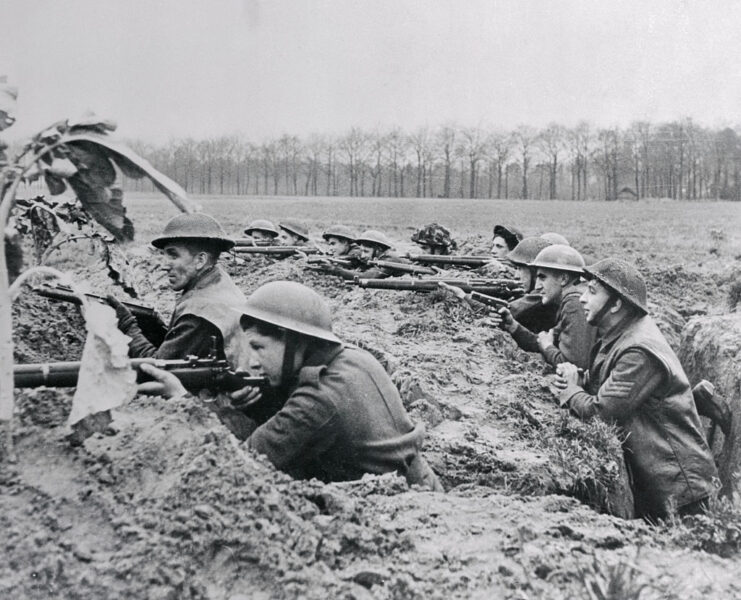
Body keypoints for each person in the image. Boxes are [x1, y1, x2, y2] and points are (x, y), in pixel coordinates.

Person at [139, 281, 443, 491]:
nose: (252, 362)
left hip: (401, 514)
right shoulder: (353, 359)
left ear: (293, 339)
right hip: (422, 487)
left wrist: (184, 404)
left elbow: (236, 469)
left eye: (259, 348)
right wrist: (258, 405)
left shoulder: (320, 399)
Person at [551, 258, 718, 521]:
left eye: (592, 292)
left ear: (617, 304)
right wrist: (579, 383)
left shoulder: (638, 350)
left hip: (682, 492)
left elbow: (601, 413)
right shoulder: (619, 335)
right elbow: (606, 386)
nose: (582, 298)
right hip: (664, 484)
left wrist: (571, 392)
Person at [108, 213, 249, 368]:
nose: (164, 265)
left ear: (200, 260)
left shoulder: (200, 311)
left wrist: (127, 325)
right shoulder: (218, 282)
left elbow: (159, 369)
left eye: (173, 256)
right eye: (164, 255)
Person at [490, 244, 596, 370]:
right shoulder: (571, 300)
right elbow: (541, 341)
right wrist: (512, 326)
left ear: (564, 279)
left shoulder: (574, 304)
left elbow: (573, 367)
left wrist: (547, 348)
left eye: (542, 278)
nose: (537, 286)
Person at [504, 237, 559, 333]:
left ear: (535, 272)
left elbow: (510, 309)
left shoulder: (542, 297)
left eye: (520, 269)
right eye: (516, 268)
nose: (516, 276)